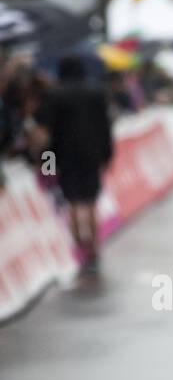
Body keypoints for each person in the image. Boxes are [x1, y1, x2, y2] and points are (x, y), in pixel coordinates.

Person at [43, 56, 113, 277]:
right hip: (92, 156)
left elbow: (48, 135)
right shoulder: (96, 92)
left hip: (65, 159)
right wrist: (107, 156)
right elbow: (105, 127)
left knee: (72, 203)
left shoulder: (54, 96)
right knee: (91, 203)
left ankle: (80, 249)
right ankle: (94, 250)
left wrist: (48, 166)